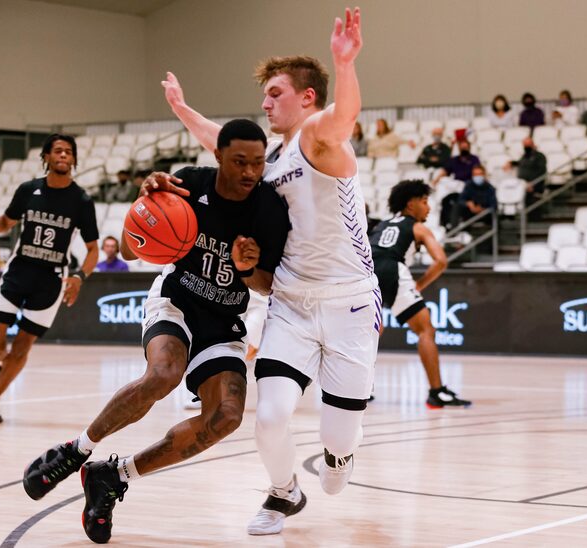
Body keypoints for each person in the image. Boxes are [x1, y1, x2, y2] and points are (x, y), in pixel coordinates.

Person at [162, 7, 381, 536]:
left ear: (307, 97)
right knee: (269, 415)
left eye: (276, 92)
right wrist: (182, 109)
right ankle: (283, 493)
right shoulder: (272, 157)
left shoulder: (321, 137)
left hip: (350, 303)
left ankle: (338, 458)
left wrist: (343, 64)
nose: (265, 102)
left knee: (338, 449)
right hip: (290, 300)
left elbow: (344, 115)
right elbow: (221, 140)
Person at [22, 120, 290, 544]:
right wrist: (145, 203)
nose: (249, 172)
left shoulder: (270, 210)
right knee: (164, 373)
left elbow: (268, 285)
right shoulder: (185, 185)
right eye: (239, 161)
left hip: (225, 320)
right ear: (217, 155)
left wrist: (246, 268)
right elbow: (131, 250)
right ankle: (77, 451)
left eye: (257, 163)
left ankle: (112, 475)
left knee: (227, 417)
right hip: (177, 299)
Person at [0, 133, 99, 424]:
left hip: (51, 280)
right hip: (18, 272)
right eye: (57, 151)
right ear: (46, 158)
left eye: (69, 151)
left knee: (23, 345)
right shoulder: (29, 190)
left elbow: (93, 250)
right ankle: (1, 362)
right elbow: (3, 224)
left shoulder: (81, 200)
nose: (64, 155)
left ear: (74, 160)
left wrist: (80, 276)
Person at [369, 180, 470, 408]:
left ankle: (359, 390)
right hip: (393, 269)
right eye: (425, 202)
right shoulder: (418, 227)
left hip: (367, 271)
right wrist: (420, 284)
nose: (429, 208)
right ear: (410, 204)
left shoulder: (380, 225)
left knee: (371, 332)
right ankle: (437, 392)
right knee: (426, 330)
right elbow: (441, 261)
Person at [506, 137, 547, 205]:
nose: (526, 147)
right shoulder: (524, 156)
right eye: (525, 145)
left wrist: (533, 184)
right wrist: (511, 163)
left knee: (533, 209)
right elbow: (521, 163)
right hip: (522, 187)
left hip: (533, 188)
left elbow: (541, 171)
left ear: (533, 144)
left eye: (528, 145)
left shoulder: (539, 156)